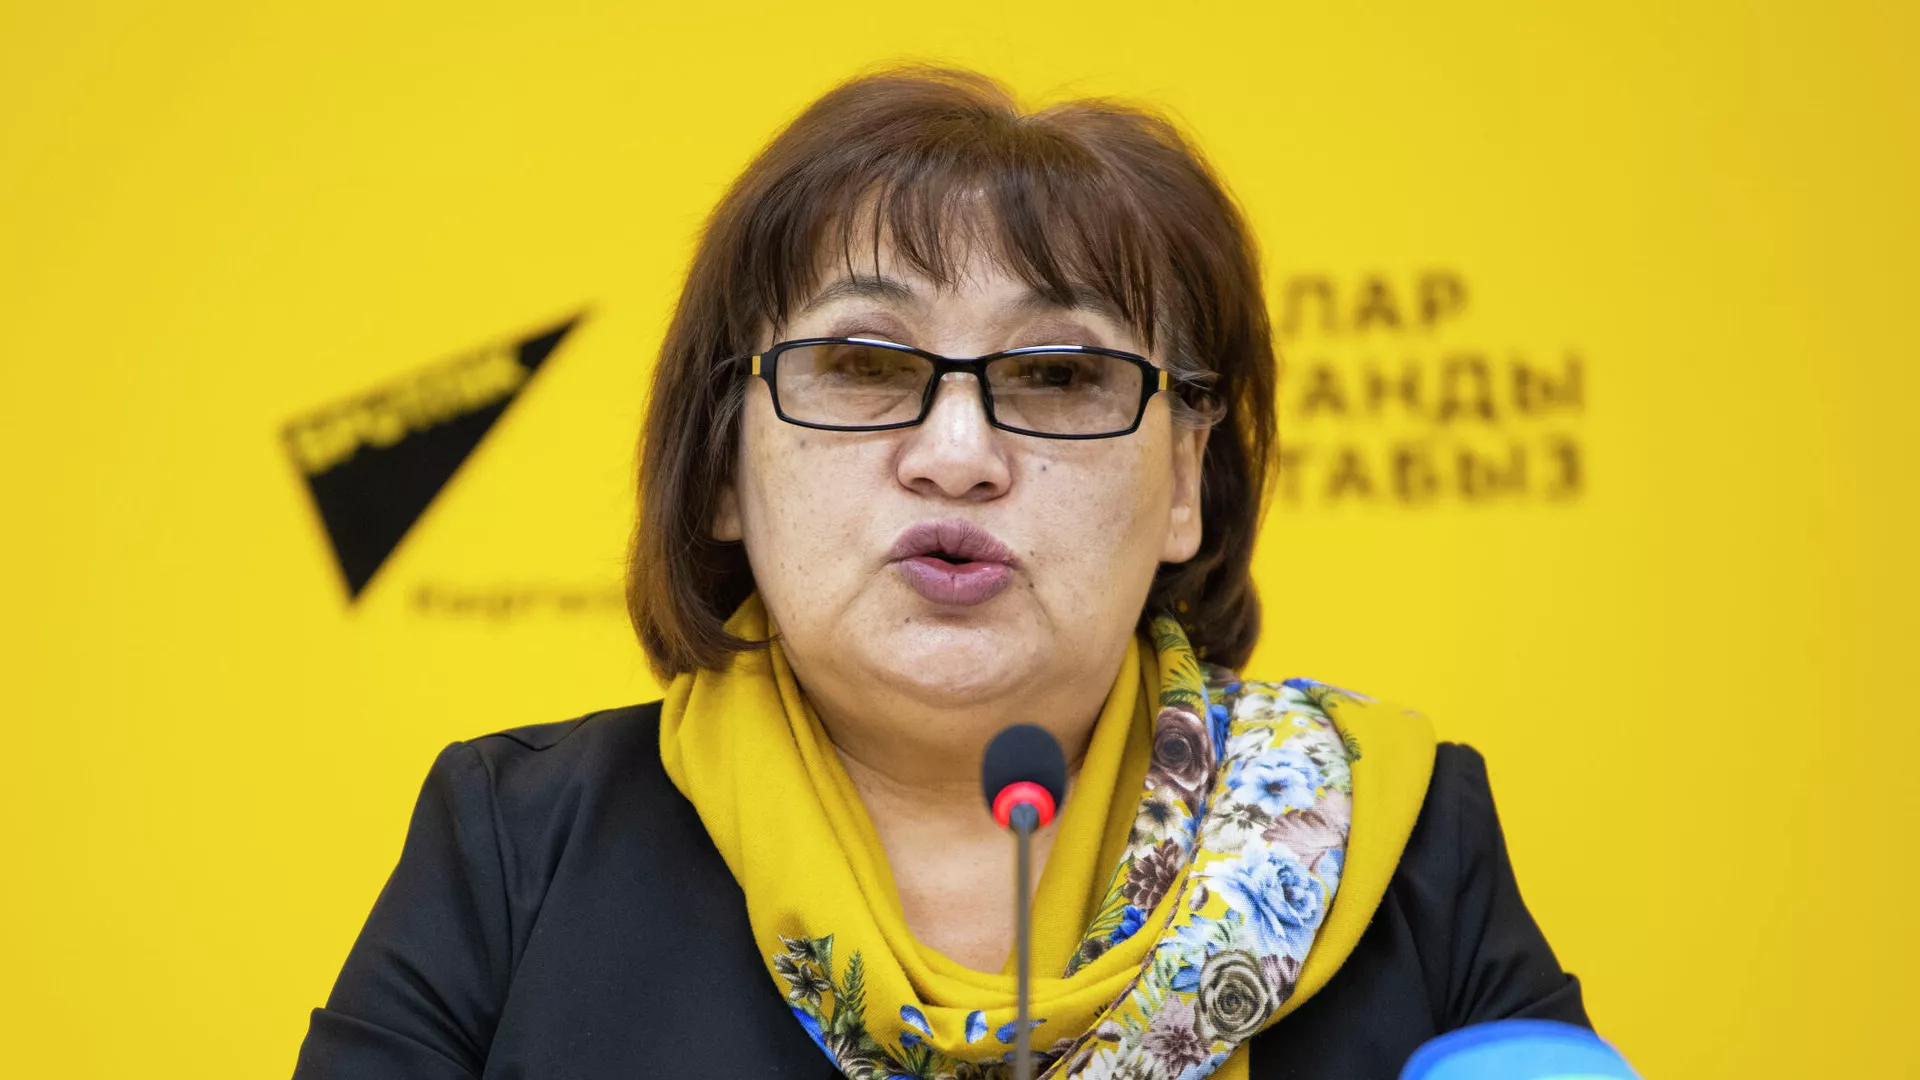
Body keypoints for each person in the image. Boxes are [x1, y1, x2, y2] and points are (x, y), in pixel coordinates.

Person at [292, 66, 1588, 1080]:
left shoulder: (1397, 845)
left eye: (1059, 375)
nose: (959, 456)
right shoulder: (517, 846)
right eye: (864, 365)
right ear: (726, 469)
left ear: (1186, 480)